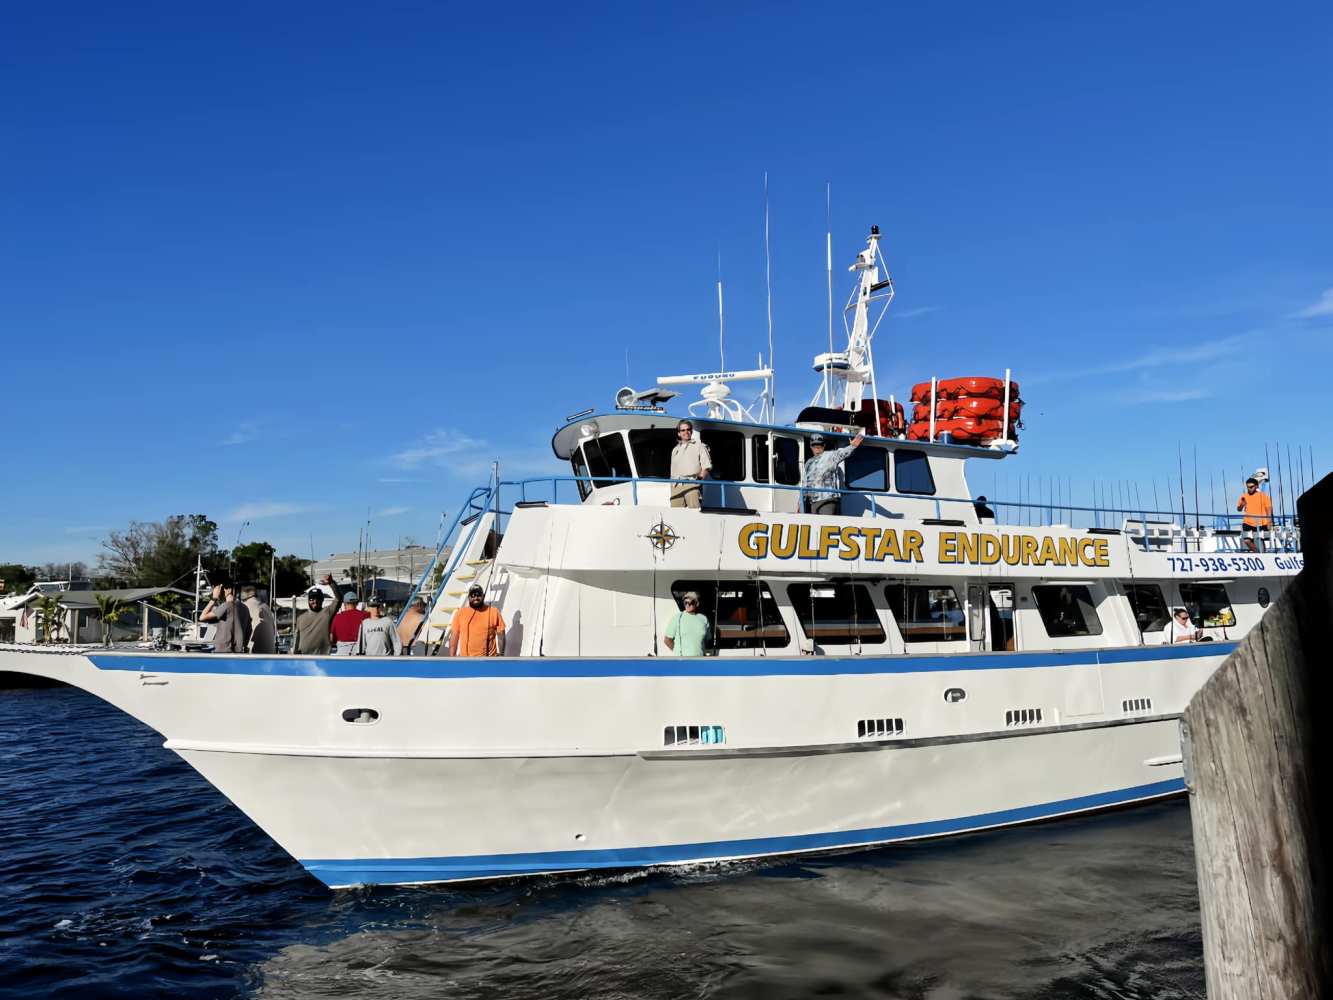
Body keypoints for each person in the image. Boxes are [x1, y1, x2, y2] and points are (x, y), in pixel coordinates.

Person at [801, 430, 865, 515]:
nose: (817, 446)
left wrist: (852, 446)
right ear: (811, 446)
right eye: (814, 444)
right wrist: (800, 502)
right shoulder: (808, 463)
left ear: (824, 445)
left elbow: (841, 453)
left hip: (828, 500)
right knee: (817, 527)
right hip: (814, 503)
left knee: (826, 526)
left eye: (819, 444)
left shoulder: (830, 456)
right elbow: (805, 483)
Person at [450, 584, 506, 656]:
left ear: (483, 596)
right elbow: (454, 637)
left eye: (478, 594)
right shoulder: (460, 613)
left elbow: (501, 635)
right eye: (473, 595)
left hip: (488, 661)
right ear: (469, 597)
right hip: (466, 661)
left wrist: (501, 655)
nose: (476, 597)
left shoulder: (494, 612)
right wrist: (452, 658)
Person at [291, 576, 340, 655]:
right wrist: (294, 654)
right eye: (312, 598)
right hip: (303, 658)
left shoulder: (327, 612)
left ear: (322, 600)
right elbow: (296, 638)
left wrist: (332, 583)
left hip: (322, 658)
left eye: (318, 598)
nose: (315, 601)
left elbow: (338, 599)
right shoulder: (300, 617)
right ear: (308, 600)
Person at [669, 419, 712, 508]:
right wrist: (672, 485)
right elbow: (673, 470)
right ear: (679, 433)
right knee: (675, 515)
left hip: (692, 484)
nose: (686, 432)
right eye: (683, 430)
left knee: (694, 514)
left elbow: (706, 467)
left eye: (688, 429)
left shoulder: (700, 446)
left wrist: (698, 480)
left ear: (691, 431)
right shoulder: (675, 450)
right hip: (676, 485)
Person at [199, 581, 251, 654]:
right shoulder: (245, 608)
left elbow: (202, 617)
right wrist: (244, 646)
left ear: (229, 590)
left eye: (220, 589)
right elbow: (249, 630)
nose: (218, 592)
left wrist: (213, 599)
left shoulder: (226, 606)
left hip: (223, 650)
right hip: (238, 651)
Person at [663, 590, 710, 656]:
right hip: (682, 661)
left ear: (697, 603)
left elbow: (707, 639)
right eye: (685, 602)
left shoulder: (704, 619)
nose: (688, 604)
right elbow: (667, 640)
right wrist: (677, 652)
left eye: (691, 602)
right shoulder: (677, 618)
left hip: (700, 661)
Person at [1236, 477, 1273, 552]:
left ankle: (1262, 555)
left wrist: (1269, 522)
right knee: (1247, 540)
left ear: (1256, 486)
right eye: (1248, 487)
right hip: (1247, 522)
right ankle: (1257, 553)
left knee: (1260, 540)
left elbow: (1268, 509)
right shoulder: (1243, 496)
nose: (1249, 488)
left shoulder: (1264, 496)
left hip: (1260, 522)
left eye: (1251, 487)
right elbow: (1239, 509)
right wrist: (1242, 505)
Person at [239, 584, 277, 654]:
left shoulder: (244, 606)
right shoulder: (266, 606)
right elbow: (274, 629)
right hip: (270, 649)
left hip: (254, 649)